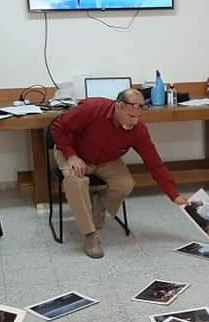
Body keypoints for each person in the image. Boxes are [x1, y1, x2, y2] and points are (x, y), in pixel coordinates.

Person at [51, 88, 188, 258]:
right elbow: (57, 127)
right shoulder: (92, 108)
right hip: (75, 153)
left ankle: (99, 205)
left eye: (138, 117)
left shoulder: (138, 129)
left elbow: (154, 163)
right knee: (76, 182)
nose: (134, 121)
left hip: (106, 159)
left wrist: (174, 195)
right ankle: (90, 235)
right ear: (118, 106)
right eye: (130, 116)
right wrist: (71, 155)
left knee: (125, 184)